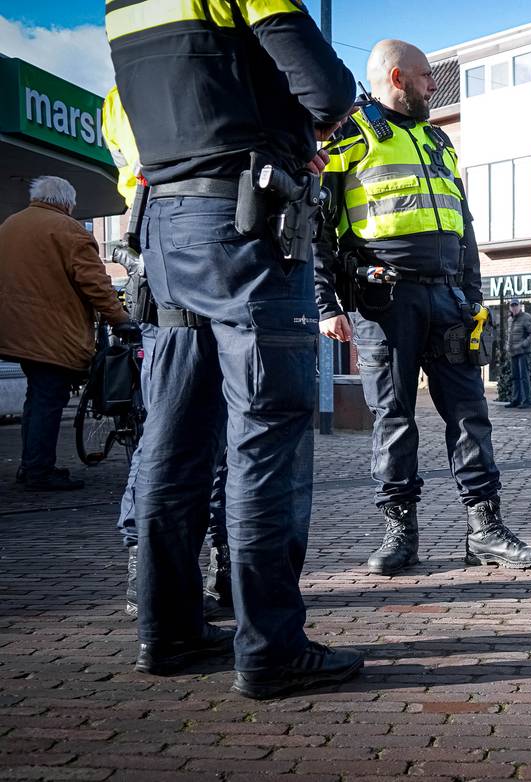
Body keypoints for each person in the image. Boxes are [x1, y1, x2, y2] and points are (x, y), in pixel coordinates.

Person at [106, 0, 361, 699]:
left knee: (173, 438)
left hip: (165, 228)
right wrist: (301, 129)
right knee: (266, 436)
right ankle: (271, 649)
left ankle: (169, 632)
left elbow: (144, 108)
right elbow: (330, 89)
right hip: (245, 229)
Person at [315, 39, 531, 578]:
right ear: (396, 77)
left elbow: (464, 228)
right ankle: (401, 535)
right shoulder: (349, 133)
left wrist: (474, 296)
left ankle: (484, 531)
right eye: (424, 77)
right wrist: (327, 302)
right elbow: (317, 227)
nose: (432, 85)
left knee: (470, 414)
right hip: (384, 302)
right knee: (394, 419)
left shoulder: (440, 140)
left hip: (448, 299)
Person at [101, 87, 231, 620]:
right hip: (197, 257)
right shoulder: (175, 81)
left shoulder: (126, 89)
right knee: (188, 431)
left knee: (177, 430)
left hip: (169, 260)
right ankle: (163, 570)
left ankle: (173, 572)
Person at [0, 176, 134, 491]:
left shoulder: (10, 225)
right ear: (67, 203)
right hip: (50, 333)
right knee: (48, 398)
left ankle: (31, 465)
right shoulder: (69, 230)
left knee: (37, 397)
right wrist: (120, 318)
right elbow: (96, 286)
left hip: (16, 329)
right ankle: (38, 471)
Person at [505, 298, 531, 409]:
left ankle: (526, 401)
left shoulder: (526, 318)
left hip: (523, 352)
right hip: (513, 352)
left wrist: (524, 344)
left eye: (516, 305)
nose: (514, 307)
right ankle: (516, 400)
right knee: (515, 377)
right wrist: (507, 347)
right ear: (510, 307)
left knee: (523, 377)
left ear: (520, 306)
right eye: (512, 305)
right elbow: (509, 336)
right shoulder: (510, 320)